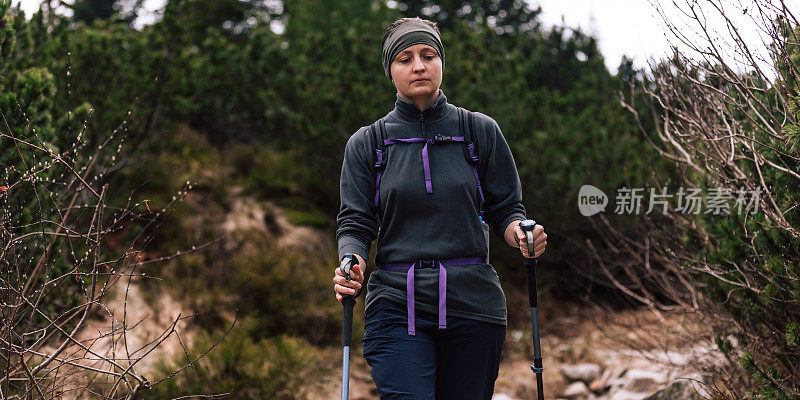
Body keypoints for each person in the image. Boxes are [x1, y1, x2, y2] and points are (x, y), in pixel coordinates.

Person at [332, 16, 547, 400]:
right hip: (397, 304)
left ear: (441, 63)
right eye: (405, 58)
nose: (418, 65)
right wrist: (352, 259)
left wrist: (519, 233)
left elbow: (505, 208)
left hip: (473, 304)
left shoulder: (479, 131)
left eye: (428, 55)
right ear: (390, 71)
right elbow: (356, 221)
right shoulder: (368, 143)